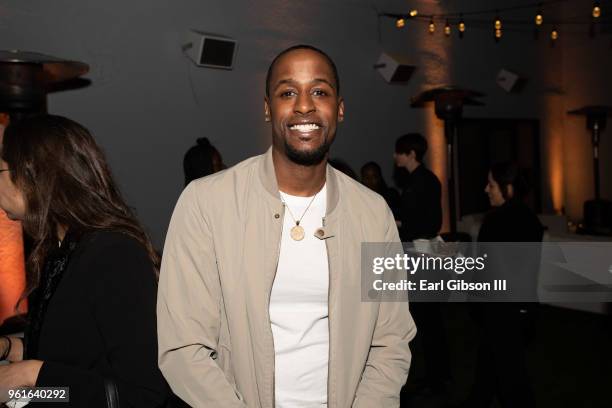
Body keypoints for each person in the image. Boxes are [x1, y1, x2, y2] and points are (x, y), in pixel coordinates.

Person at [157, 44, 416, 407]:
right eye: (288, 92)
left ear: (339, 109)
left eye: (320, 92)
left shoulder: (374, 215)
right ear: (268, 108)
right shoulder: (205, 204)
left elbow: (390, 340)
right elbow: (184, 348)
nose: (305, 105)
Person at [0, 115, 171, 407]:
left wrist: (31, 376)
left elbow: (142, 396)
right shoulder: (60, 251)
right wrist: (10, 350)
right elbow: (73, 361)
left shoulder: (114, 255)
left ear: (33, 177)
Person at [462, 162, 543, 408]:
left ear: (508, 188)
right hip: (520, 307)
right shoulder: (529, 218)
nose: (486, 189)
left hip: (501, 310)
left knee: (512, 380)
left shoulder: (497, 220)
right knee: (489, 365)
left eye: (492, 185)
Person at [393, 133, 442, 242]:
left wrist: (395, 222)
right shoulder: (423, 178)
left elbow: (426, 220)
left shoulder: (421, 181)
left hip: (421, 243)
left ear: (411, 154)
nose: (395, 156)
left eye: (399, 152)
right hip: (419, 240)